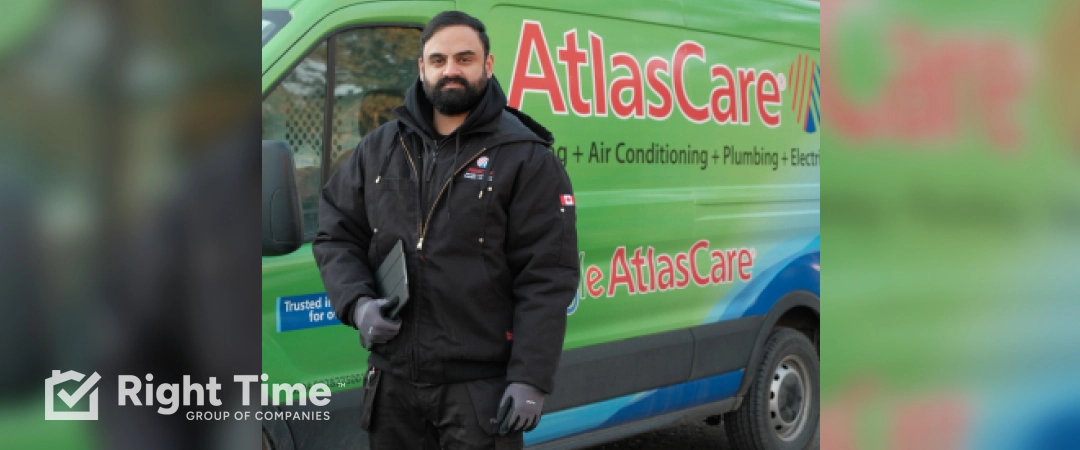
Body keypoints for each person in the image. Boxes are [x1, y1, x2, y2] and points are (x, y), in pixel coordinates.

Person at [313, 10, 579, 450]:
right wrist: (357, 304)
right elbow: (336, 234)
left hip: (479, 392)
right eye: (438, 60)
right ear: (422, 68)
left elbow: (547, 276)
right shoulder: (380, 147)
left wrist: (531, 377)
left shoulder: (525, 157)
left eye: (464, 58)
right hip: (393, 386)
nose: (450, 70)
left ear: (487, 65)